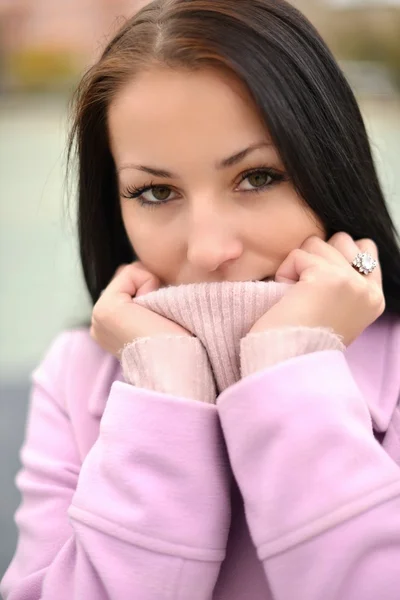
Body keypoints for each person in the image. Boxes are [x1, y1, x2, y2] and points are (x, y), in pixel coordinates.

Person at [2, 0, 400, 598]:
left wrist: (289, 372)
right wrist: (163, 393)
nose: (210, 248)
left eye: (258, 177)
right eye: (156, 191)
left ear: (331, 168)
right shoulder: (76, 375)